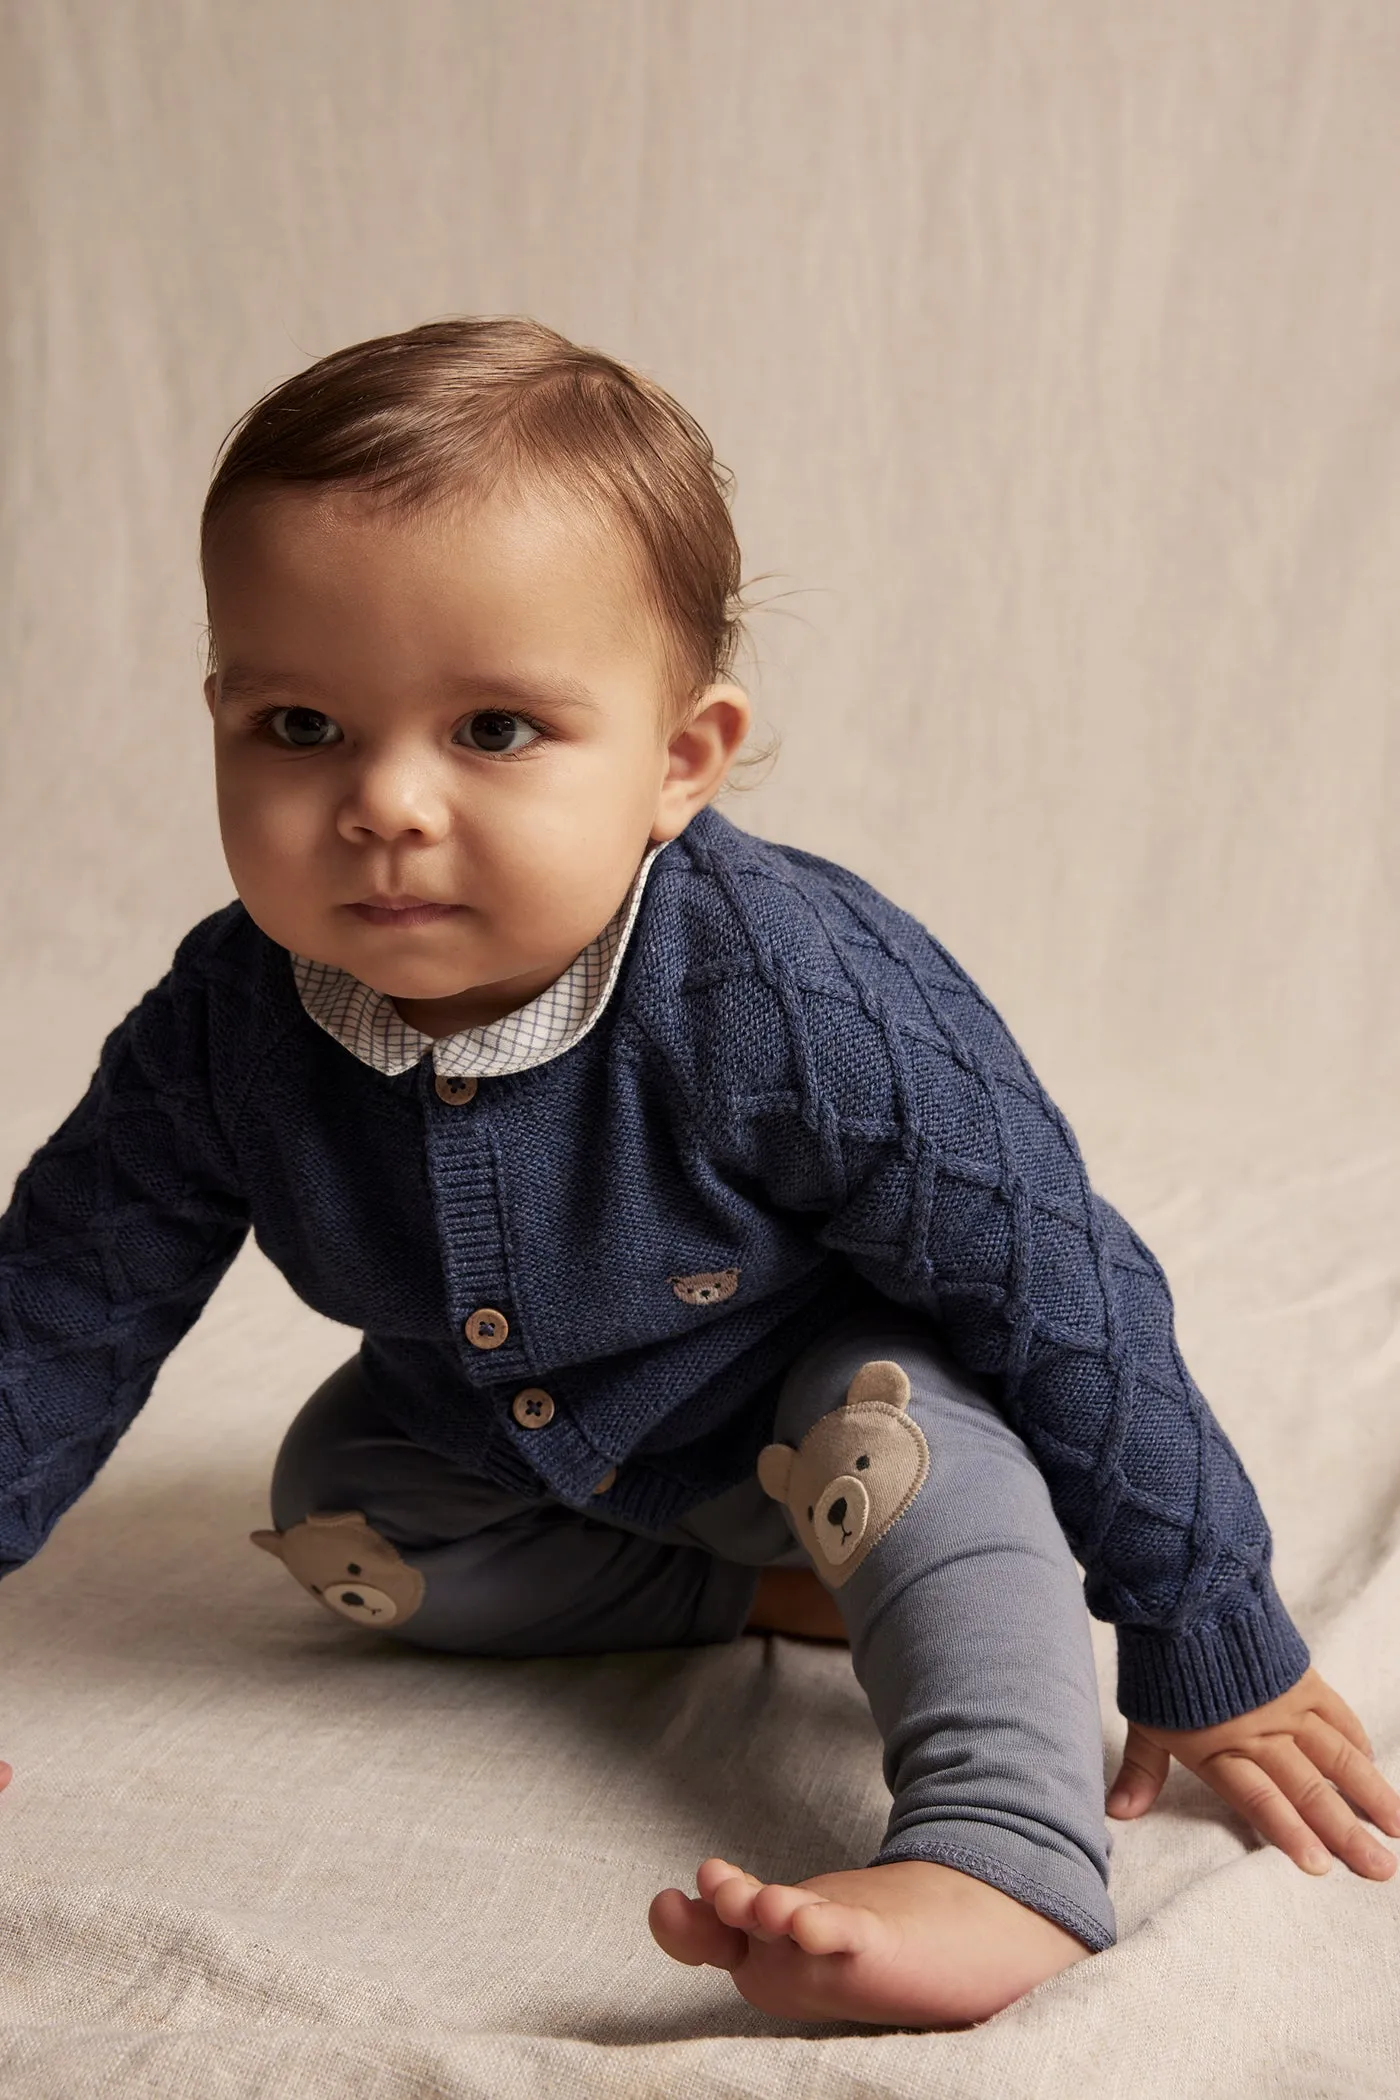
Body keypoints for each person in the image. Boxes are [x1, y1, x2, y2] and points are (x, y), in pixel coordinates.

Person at [0, 318, 1395, 2032]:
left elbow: (1060, 1286)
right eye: (300, 723)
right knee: (339, 1518)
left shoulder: (785, 994)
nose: (382, 804)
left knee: (927, 1469)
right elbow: (58, 1307)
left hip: (814, 1389)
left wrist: (1208, 1621)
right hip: (512, 1436)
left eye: (495, 728)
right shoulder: (229, 1022)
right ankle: (764, 1589)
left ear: (679, 758)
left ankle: (1002, 1851)